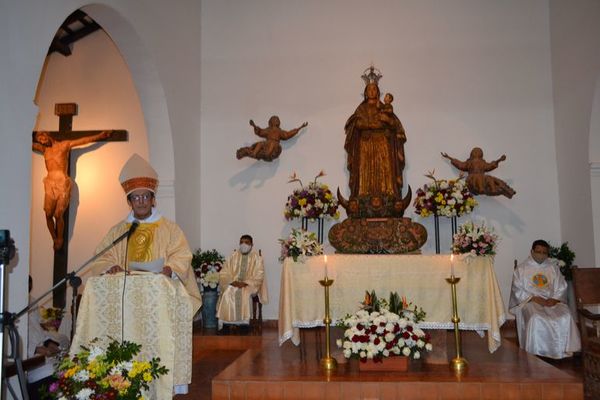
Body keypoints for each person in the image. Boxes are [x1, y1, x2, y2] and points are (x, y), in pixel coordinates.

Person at [88, 153, 201, 395]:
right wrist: (111, 268)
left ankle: (164, 383)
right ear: (129, 201)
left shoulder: (170, 229)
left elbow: (182, 255)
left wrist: (170, 268)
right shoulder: (118, 231)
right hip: (125, 306)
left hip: (160, 304)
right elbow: (101, 257)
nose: (140, 201)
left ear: (153, 199)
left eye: (145, 197)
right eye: (135, 197)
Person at [32, 130, 112, 250]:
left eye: (42, 138)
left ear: (46, 134)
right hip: (49, 183)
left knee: (58, 214)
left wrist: (100, 136)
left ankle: (60, 238)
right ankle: (54, 238)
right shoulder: (44, 150)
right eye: (39, 141)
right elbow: (24, 141)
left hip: (62, 183)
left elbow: (83, 141)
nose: (42, 142)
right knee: (48, 214)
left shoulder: (64, 145)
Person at [509, 239, 581, 359]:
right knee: (536, 318)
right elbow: (517, 289)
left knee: (565, 315)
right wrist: (533, 298)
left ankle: (566, 350)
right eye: (538, 252)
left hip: (552, 301)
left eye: (544, 253)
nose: (541, 255)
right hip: (530, 301)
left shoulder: (553, 268)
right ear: (532, 251)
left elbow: (562, 286)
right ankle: (537, 350)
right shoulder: (521, 269)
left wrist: (555, 299)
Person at [344, 79, 406, 200]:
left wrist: (387, 121)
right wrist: (371, 125)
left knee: (384, 169)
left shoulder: (385, 108)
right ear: (366, 93)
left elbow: (395, 126)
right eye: (369, 89)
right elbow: (355, 124)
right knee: (365, 169)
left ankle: (387, 195)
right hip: (365, 143)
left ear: (377, 92)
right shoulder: (361, 109)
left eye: (374, 89)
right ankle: (363, 196)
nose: (372, 91)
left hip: (382, 143)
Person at [216, 234, 268, 328]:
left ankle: (244, 323)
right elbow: (224, 271)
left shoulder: (257, 258)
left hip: (248, 285)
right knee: (228, 292)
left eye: (246, 242)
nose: (243, 244)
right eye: (241, 242)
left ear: (252, 245)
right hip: (233, 283)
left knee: (244, 293)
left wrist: (245, 283)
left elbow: (259, 275)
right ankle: (226, 322)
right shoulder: (233, 256)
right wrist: (232, 282)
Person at [441, 147, 516, 198]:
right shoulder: (469, 162)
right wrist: (449, 158)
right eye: (475, 152)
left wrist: (499, 160)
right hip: (472, 178)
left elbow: (490, 166)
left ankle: (506, 190)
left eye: (478, 152)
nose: (476, 153)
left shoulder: (483, 163)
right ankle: (481, 188)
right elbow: (460, 165)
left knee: (490, 178)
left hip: (482, 177)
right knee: (478, 177)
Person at [236, 116, 307, 162]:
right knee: (261, 143)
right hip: (267, 144)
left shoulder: (280, 131)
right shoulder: (268, 130)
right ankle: (254, 153)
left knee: (272, 143)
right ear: (270, 122)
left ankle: (268, 154)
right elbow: (260, 132)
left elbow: (287, 134)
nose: (275, 121)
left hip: (275, 146)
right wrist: (254, 126)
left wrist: (300, 128)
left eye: (276, 120)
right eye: (274, 120)